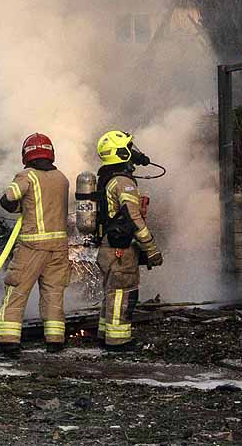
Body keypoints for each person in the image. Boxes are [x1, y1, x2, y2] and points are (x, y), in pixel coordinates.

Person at [0, 133, 71, 356]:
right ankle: (55, 341)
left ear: (26, 155)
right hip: (59, 247)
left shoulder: (27, 176)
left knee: (16, 290)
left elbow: (8, 198)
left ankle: (8, 341)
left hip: (32, 246)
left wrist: (15, 205)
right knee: (54, 293)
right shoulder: (62, 178)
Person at [94, 130, 163, 352]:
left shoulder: (106, 178)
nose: (134, 152)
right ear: (121, 152)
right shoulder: (123, 182)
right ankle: (118, 340)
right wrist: (151, 249)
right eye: (129, 147)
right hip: (120, 249)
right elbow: (134, 218)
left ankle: (105, 334)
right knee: (123, 292)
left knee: (112, 292)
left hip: (108, 246)